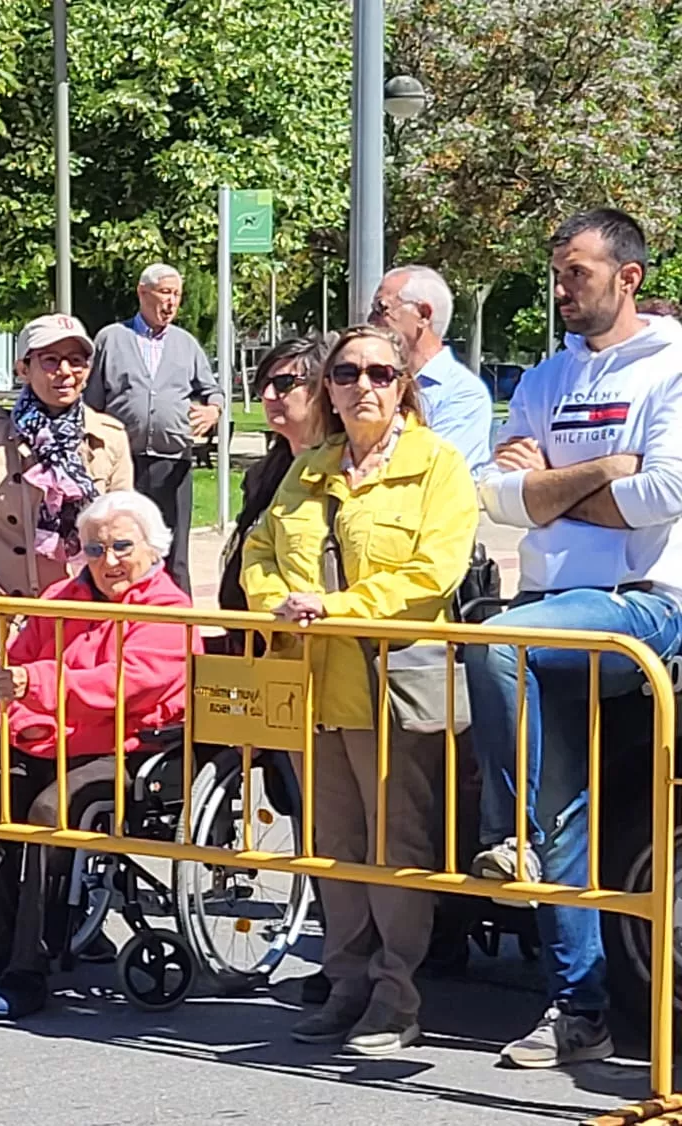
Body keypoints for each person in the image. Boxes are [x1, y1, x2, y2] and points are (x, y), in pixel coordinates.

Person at [468, 209, 682, 1069]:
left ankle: (502, 827)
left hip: (640, 603)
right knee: (563, 822)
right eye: (557, 271)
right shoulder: (544, 378)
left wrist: (549, 483)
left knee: (494, 646)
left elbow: (664, 495)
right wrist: (600, 472)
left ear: (627, 276)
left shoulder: (671, 367)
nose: (560, 288)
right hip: (546, 603)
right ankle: (578, 1008)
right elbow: (498, 497)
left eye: (577, 273)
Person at [242, 323, 477, 1056]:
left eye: (380, 372)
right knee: (336, 845)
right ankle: (344, 983)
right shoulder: (309, 466)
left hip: (393, 681)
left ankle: (395, 995)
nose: (363, 386)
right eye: (347, 374)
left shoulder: (436, 464)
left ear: (403, 383)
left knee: (395, 845)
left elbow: (433, 572)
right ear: (330, 388)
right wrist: (272, 597)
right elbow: (259, 546)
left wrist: (332, 607)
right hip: (313, 681)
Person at [0, 491, 192, 1019]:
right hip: (48, 737)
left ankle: (29, 968)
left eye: (122, 547)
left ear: (154, 549)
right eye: (94, 548)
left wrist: (39, 686)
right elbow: (9, 678)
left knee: (50, 812)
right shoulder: (63, 596)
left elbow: (130, 684)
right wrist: (23, 714)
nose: (108, 561)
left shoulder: (169, 610)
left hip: (123, 747)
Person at [0, 313, 133, 761]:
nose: (65, 372)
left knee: (68, 781)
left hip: (79, 640)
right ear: (23, 368)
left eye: (76, 360)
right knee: (0, 774)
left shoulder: (109, 438)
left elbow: (126, 540)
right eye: (50, 360)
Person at [87, 263, 221, 589]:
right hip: (124, 464)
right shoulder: (111, 338)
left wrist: (214, 410)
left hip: (172, 461)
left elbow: (211, 389)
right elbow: (91, 402)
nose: (171, 302)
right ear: (142, 293)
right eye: (165, 292)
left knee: (174, 552)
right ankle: (123, 623)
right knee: (121, 546)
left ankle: (180, 631)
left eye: (177, 294)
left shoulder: (186, 344)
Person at [214, 333, 334, 615]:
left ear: (323, 389)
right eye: (263, 385)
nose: (268, 396)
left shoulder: (345, 470)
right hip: (258, 632)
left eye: (284, 384)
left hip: (315, 631)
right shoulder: (263, 473)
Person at [371, 265, 493, 474]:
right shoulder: (373, 383)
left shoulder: (463, 394)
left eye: (381, 309)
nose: (370, 321)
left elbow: (430, 473)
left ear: (423, 315)